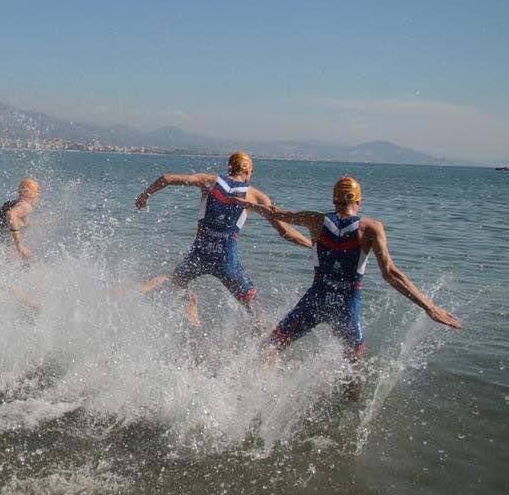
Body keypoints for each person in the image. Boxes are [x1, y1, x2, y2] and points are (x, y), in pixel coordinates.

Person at [237, 177, 460, 400]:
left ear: (334, 200)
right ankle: (350, 414)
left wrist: (249, 205)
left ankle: (254, 395)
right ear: (359, 201)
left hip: (315, 300)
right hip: (346, 307)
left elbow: (276, 213)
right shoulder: (371, 228)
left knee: (270, 347)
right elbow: (391, 273)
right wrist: (429, 307)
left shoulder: (315, 220)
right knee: (353, 368)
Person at [131, 152, 311, 330]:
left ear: (229, 168)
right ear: (249, 172)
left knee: (177, 282)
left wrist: (145, 196)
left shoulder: (209, 181)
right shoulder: (256, 197)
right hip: (227, 263)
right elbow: (285, 232)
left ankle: (193, 313)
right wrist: (312, 244)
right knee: (254, 308)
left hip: (199, 255)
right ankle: (263, 345)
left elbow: (166, 178)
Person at [0, 178, 43, 262]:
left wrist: (47, 223)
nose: (38, 196)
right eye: (38, 192)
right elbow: (11, 214)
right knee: (30, 258)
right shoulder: (26, 206)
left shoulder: (15, 203)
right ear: (32, 194)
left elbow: (22, 223)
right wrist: (19, 245)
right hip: (5, 248)